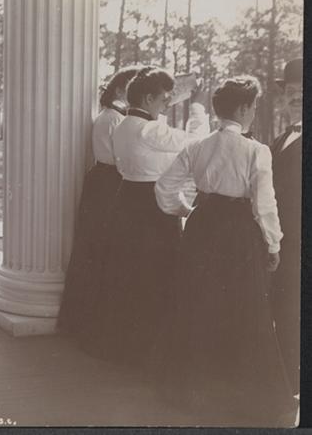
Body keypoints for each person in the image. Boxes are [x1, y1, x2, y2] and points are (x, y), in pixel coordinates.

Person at [152, 76, 295, 425]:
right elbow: (265, 205)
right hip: (237, 235)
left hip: (202, 228)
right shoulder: (256, 150)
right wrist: (274, 243)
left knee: (199, 303)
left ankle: (194, 389)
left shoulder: (197, 146)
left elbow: (165, 186)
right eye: (254, 106)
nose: (254, 112)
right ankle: (241, 394)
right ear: (244, 109)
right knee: (243, 309)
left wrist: (185, 211)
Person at [81, 66, 208, 366]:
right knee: (155, 279)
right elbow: (197, 140)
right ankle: (147, 352)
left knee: (127, 278)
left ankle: (123, 347)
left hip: (126, 203)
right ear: (149, 98)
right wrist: (198, 107)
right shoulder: (149, 130)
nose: (167, 104)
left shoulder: (124, 124)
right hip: (152, 211)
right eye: (164, 99)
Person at [57, 68, 138, 338]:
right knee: (101, 247)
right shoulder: (114, 119)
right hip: (109, 183)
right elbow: (122, 158)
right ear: (120, 90)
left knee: (95, 247)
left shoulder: (111, 116)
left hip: (102, 181)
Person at [270, 58, 303, 394]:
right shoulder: (280, 139)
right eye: (290, 91)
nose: (295, 97)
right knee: (283, 309)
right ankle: (287, 380)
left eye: (303, 91)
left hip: (300, 242)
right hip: (281, 240)